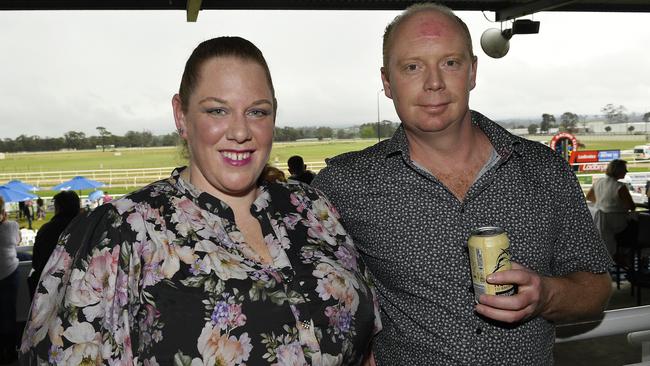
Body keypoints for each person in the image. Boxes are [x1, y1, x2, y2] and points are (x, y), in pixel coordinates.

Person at [20, 36, 380, 365]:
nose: (240, 131)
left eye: (257, 111)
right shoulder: (121, 232)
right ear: (182, 115)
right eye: (217, 110)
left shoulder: (313, 209)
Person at [312, 3, 612, 365]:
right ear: (387, 82)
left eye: (450, 63)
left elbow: (596, 290)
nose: (434, 82)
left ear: (472, 71)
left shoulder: (544, 170)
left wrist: (545, 295)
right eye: (412, 67)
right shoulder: (343, 185)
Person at [27, 191, 81, 299]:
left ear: (58, 208)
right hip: (79, 288)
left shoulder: (46, 230)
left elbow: (36, 263)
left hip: (49, 290)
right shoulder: (87, 229)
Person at [586, 159, 636, 255]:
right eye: (624, 169)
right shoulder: (620, 186)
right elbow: (631, 206)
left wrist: (603, 203)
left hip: (599, 221)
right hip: (616, 223)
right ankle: (628, 254)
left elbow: (589, 197)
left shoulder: (598, 182)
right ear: (619, 171)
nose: (626, 171)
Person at [0, 196, 21, 364]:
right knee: (9, 312)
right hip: (9, 273)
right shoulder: (11, 226)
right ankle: (11, 350)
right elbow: (17, 241)